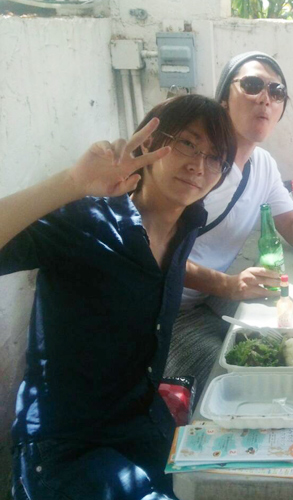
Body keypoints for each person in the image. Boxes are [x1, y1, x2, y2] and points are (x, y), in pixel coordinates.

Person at [5, 94, 236, 499]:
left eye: (215, 157)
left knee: (229, 485)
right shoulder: (87, 221)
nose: (199, 165)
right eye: (187, 143)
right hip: (67, 446)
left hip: (141, 421)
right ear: (150, 144)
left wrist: (231, 285)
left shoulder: (185, 225)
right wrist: (72, 183)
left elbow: (158, 273)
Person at [164, 52, 293, 395]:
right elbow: (154, 252)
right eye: (252, 84)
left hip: (210, 298)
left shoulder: (263, 165)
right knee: (241, 382)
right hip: (165, 312)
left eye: (276, 91)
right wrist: (228, 286)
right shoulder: (197, 167)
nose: (265, 98)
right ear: (223, 100)